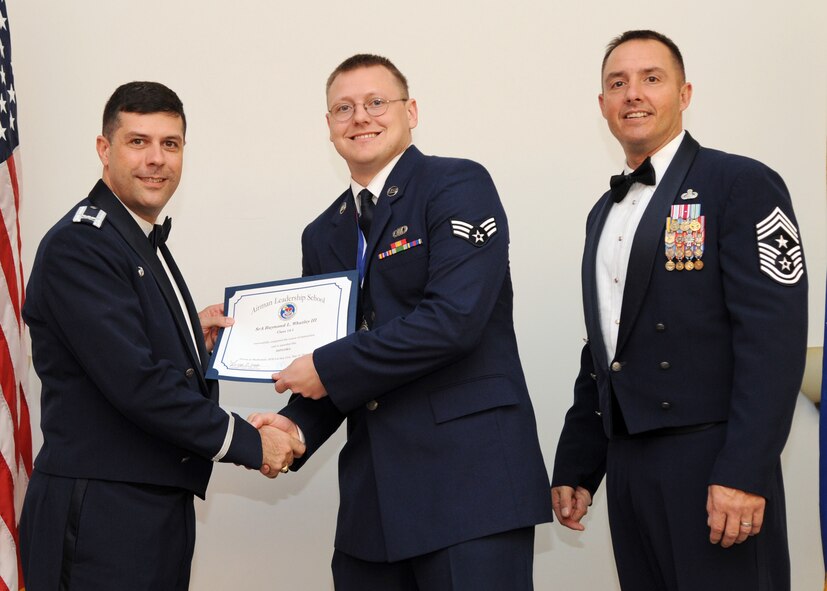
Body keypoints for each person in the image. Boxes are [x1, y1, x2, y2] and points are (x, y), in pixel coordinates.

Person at [249, 54, 551, 590]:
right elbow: (332, 359)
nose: (360, 117)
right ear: (329, 127)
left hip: (469, 491)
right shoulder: (324, 233)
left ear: (410, 111)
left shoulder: (456, 184)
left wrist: (325, 365)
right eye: (343, 108)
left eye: (375, 102)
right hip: (374, 508)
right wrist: (294, 427)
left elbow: (453, 320)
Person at [20, 81, 305, 590]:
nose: (156, 159)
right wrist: (250, 442)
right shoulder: (80, 245)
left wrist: (190, 338)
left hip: (146, 507)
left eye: (170, 144)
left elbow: (116, 346)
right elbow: (138, 383)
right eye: (138, 141)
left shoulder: (136, 239)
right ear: (104, 149)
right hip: (101, 515)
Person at [551, 30, 807, 590]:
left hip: (713, 461)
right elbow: (605, 345)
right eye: (617, 84)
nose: (633, 94)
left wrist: (744, 471)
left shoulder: (740, 183)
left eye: (651, 78)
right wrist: (578, 463)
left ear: (685, 93)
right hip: (629, 465)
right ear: (602, 106)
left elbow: (774, 341)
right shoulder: (603, 212)